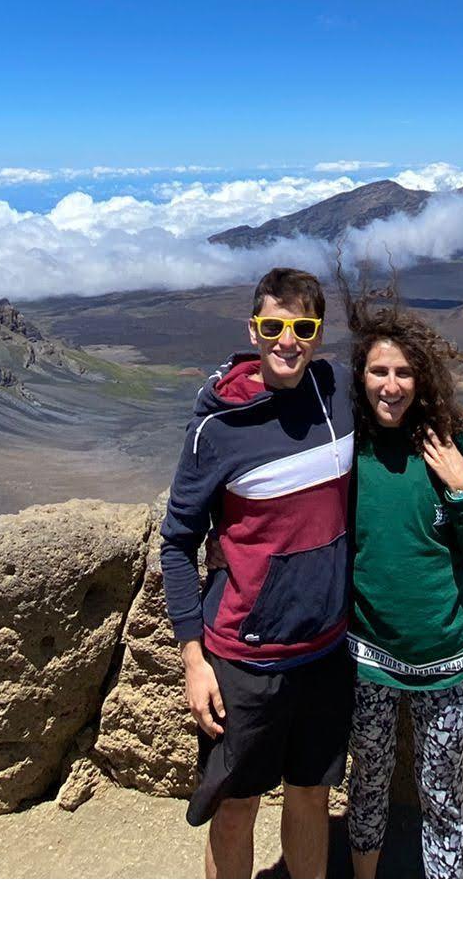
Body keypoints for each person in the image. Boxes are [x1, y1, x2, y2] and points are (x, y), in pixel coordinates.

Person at [160, 266, 355, 879]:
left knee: (311, 795)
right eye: (273, 327)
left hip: (325, 652)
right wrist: (193, 662)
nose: (287, 342)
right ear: (253, 330)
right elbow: (177, 544)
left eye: (303, 328)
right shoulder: (218, 428)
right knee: (235, 806)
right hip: (244, 660)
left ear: (318, 334)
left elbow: (404, 404)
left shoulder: (337, 392)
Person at [342, 293, 463, 880]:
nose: (391, 386)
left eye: (404, 372)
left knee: (442, 794)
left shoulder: (448, 444)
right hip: (368, 657)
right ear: (360, 377)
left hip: (447, 657)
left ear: (422, 379)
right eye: (378, 371)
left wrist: (462, 487)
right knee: (368, 782)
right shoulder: (346, 449)